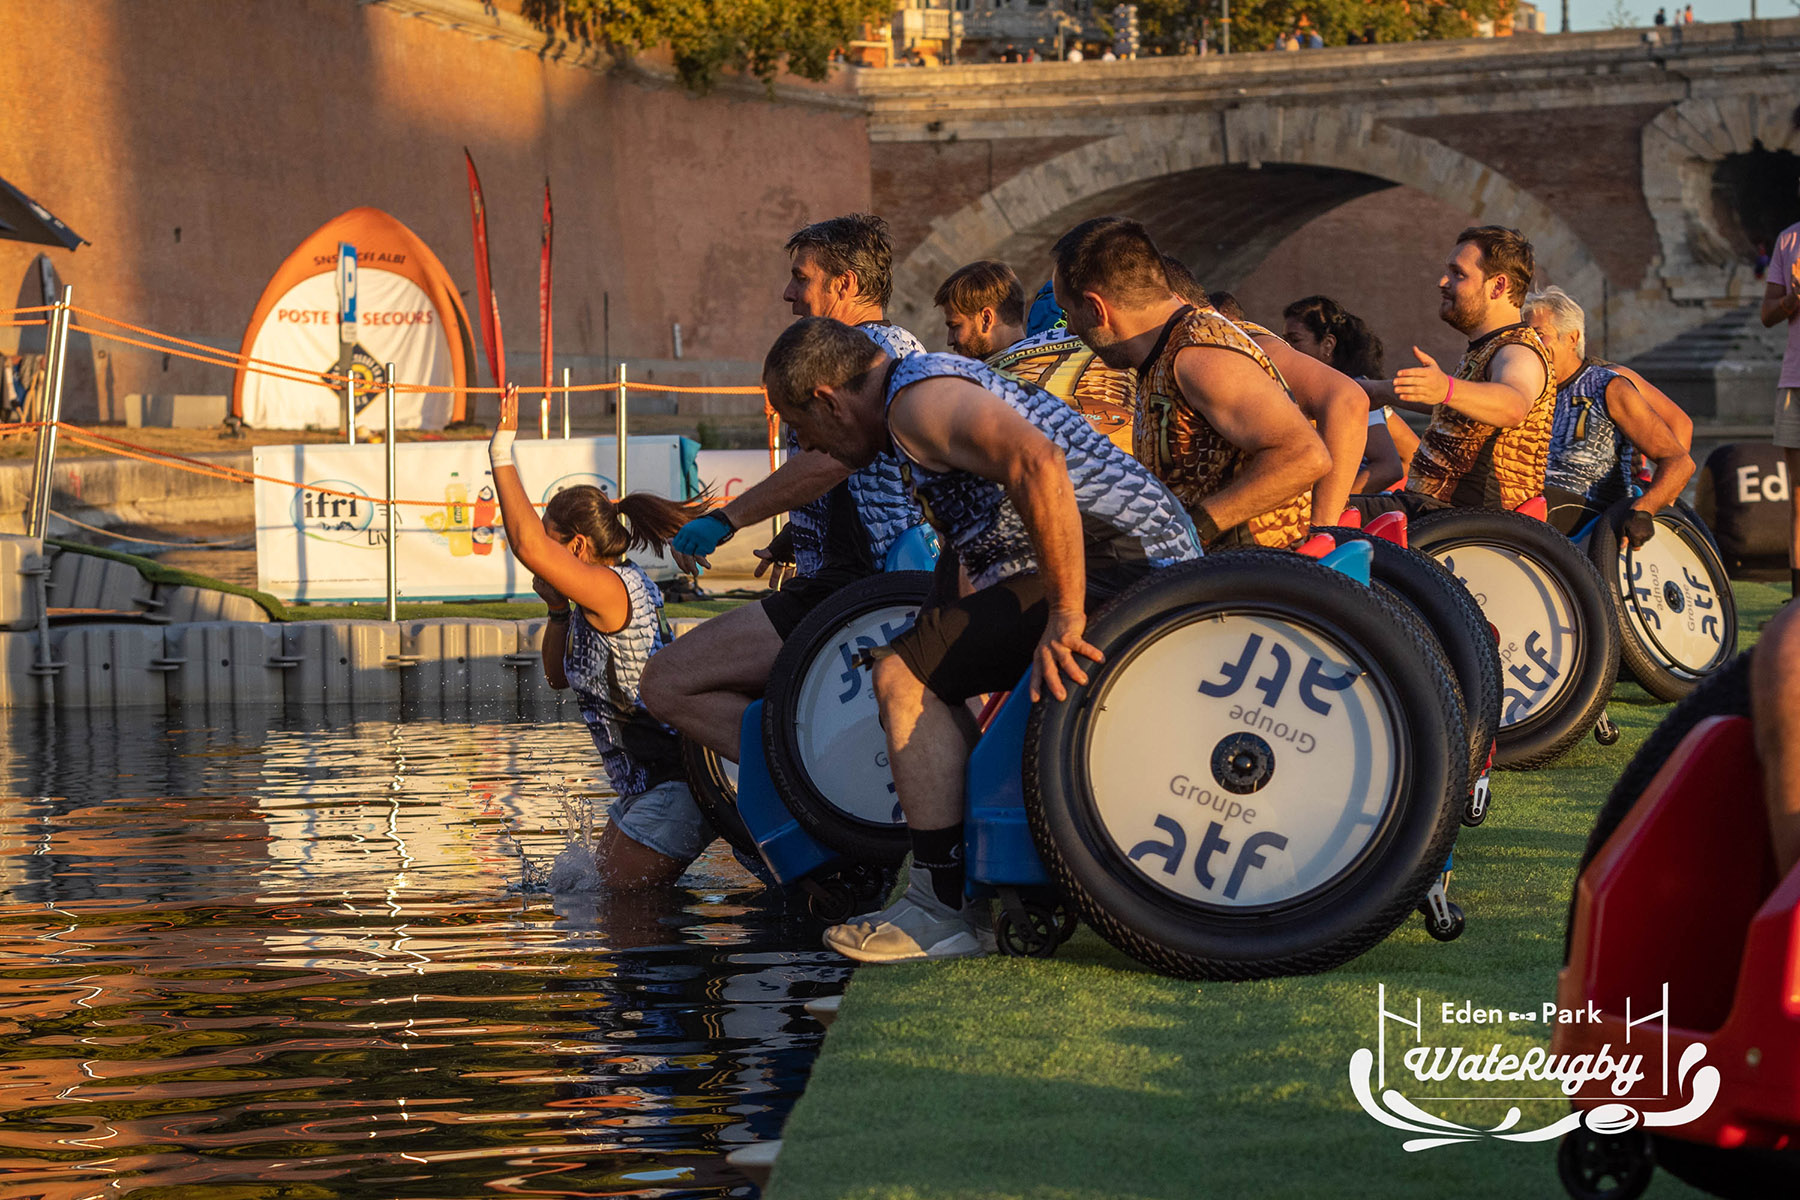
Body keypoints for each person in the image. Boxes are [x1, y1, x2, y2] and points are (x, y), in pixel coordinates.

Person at [761, 317, 1200, 962]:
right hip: (1122, 555)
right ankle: (973, 883)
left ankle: (942, 912)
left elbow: (1038, 461)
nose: (805, 442)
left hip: (1126, 563)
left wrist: (1066, 618)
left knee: (904, 679)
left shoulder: (916, 402)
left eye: (798, 424)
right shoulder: (915, 398)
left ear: (828, 398)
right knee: (916, 664)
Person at [642, 214, 925, 762]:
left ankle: (806, 786)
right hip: (849, 579)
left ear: (845, 283)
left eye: (802, 277)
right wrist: (800, 534)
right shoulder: (876, 345)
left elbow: (836, 458)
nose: (788, 293)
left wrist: (728, 518)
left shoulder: (871, 349)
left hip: (857, 587)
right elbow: (866, 475)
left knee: (666, 682)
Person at [487, 385, 720, 890]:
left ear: (575, 545)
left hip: (670, 785)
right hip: (643, 787)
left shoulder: (613, 591)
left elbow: (526, 543)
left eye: (554, 544)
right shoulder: (589, 600)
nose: (542, 556)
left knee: (622, 920)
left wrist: (501, 451)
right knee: (587, 897)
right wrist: (554, 609)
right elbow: (554, 678)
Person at [1050, 217, 1329, 548]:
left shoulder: (1199, 356)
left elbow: (1306, 455)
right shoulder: (1163, 352)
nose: (1069, 329)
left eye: (1068, 312)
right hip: (1202, 572)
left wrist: (1189, 530)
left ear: (1097, 308)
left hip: (1238, 578)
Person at [1354, 225, 1556, 520]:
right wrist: (1378, 391)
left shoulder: (1519, 352)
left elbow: (1513, 405)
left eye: (1458, 274)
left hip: (1460, 521)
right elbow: (1459, 405)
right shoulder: (1487, 347)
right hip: (1428, 510)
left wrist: (1446, 388)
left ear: (1498, 286)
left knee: (1311, 511)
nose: (1442, 282)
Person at [1162, 260, 1369, 526]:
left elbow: (1348, 401)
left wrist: (1323, 530)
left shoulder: (1230, 344)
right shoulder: (1182, 350)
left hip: (1265, 548)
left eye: (1295, 340)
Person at [1522, 286, 1694, 541]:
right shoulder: (1531, 391)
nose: (1530, 344)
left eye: (1539, 334)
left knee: (1531, 507)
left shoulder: (1609, 384)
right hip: (1539, 501)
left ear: (1571, 338)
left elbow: (1680, 458)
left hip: (1590, 511)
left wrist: (1649, 506)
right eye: (1526, 337)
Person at [937, 260, 1137, 451]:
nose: (950, 340)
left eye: (955, 326)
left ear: (986, 319)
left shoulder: (980, 386)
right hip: (1143, 470)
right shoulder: (1097, 340)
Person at [1284, 294, 1411, 492]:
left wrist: (1332, 504)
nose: (1286, 349)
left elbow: (1390, 466)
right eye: (1284, 340)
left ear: (1327, 345)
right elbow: (1410, 453)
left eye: (1295, 340)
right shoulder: (1338, 390)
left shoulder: (1350, 392)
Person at [1761, 192, 1800, 598]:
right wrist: (1793, 299)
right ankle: (1797, 599)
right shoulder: (1788, 240)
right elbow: (1767, 314)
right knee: (1799, 496)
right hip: (1795, 380)